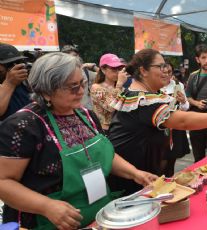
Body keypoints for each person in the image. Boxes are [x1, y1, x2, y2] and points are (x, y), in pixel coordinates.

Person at [0, 52, 158, 229]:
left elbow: (104, 156)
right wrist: (46, 206)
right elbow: (3, 182)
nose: (81, 91)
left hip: (98, 216)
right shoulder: (24, 125)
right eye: (72, 87)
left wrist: (135, 173)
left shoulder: (86, 115)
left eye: (82, 83)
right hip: (47, 221)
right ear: (46, 91)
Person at [107, 48, 207, 195]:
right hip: (130, 180)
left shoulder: (144, 94)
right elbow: (183, 121)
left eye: (165, 66)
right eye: (160, 66)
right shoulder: (143, 100)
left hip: (138, 174)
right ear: (143, 71)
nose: (165, 70)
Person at [160, 63, 190, 177]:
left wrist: (183, 101)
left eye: (169, 72)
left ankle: (169, 181)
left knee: (172, 159)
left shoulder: (178, 85)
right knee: (161, 159)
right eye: (164, 72)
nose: (167, 75)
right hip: (159, 128)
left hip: (174, 127)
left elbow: (185, 108)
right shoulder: (154, 85)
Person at [90, 53, 127, 133]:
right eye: (114, 69)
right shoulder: (96, 88)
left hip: (120, 128)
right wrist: (119, 85)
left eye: (119, 69)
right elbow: (111, 107)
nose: (117, 72)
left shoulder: (121, 88)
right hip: (105, 130)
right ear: (103, 70)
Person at [61, 45, 98, 110]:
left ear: (78, 56)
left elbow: (105, 77)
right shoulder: (60, 74)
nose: (72, 59)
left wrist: (94, 67)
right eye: (68, 57)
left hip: (87, 111)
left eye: (74, 55)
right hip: (69, 110)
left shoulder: (86, 72)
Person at [0, 43, 30, 121]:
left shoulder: (25, 83)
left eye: (18, 62)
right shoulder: (10, 82)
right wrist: (9, 83)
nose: (15, 66)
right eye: (8, 64)